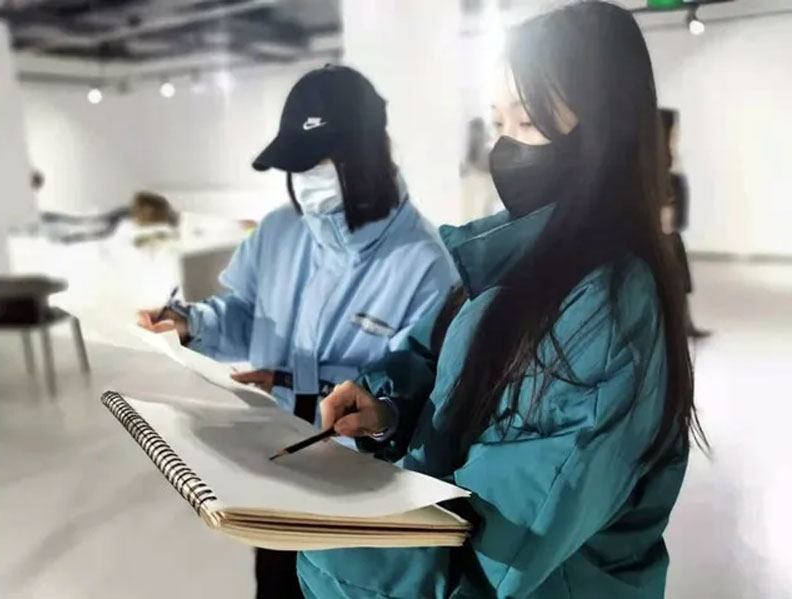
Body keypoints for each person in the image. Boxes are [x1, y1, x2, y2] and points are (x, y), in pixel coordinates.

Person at [298, 3, 706, 598]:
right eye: (497, 123)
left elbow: (494, 551)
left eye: (529, 123)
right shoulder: (511, 253)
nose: (504, 149)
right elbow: (445, 366)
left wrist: (318, 537)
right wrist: (386, 411)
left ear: (604, 135)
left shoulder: (607, 311)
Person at [136, 65, 457, 597]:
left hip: (355, 501)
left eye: (319, 160)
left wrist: (370, 413)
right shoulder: (280, 230)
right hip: (273, 468)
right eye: (296, 165)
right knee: (275, 583)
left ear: (369, 154)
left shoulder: (426, 265)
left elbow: (418, 397)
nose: (305, 178)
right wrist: (191, 324)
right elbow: (245, 312)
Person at [660, 108, 710, 339]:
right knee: (673, 279)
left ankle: (685, 325)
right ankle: (678, 326)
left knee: (680, 279)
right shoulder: (659, 160)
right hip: (664, 233)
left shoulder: (670, 156)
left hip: (671, 232)